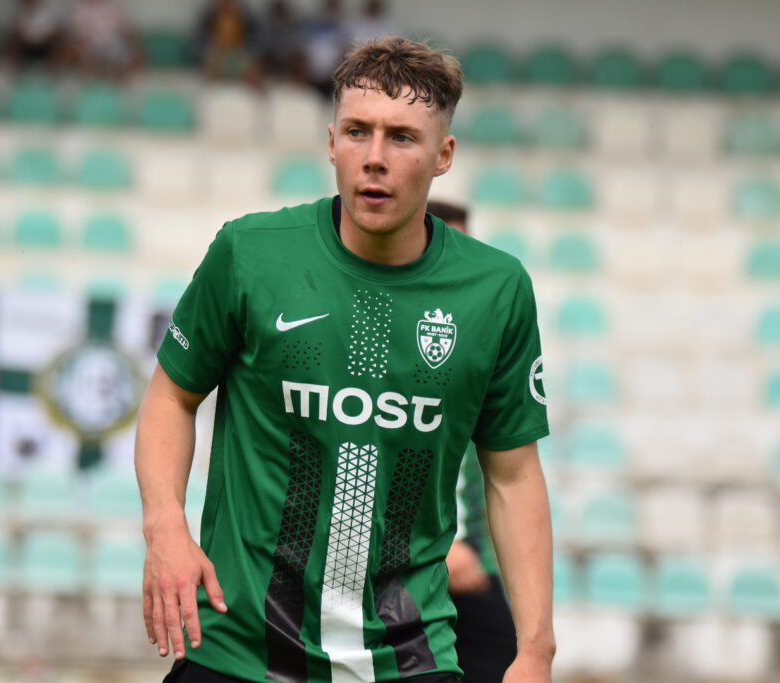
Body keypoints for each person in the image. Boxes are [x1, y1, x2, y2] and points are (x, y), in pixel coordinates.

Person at [135, 36, 555, 683]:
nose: (375, 158)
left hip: (408, 658)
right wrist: (166, 526)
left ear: (444, 155)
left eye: (402, 138)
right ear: (332, 142)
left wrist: (535, 649)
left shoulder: (496, 291)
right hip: (240, 652)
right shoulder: (251, 254)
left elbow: (514, 475)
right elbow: (171, 394)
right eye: (358, 132)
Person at [427, 200, 519, 682]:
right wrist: (448, 545)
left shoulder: (478, 328)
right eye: (445, 241)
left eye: (464, 244)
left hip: (473, 559)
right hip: (433, 559)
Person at [64, 0, 141, 80]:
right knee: (76, 52)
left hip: (113, 45)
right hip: (90, 48)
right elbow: (77, 36)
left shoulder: (113, 7)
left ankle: (121, 75)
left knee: (130, 53)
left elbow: (125, 30)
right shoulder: (80, 9)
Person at [2, 0, 64, 73]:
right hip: (25, 45)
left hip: (45, 45)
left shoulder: (46, 13)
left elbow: (51, 32)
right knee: (13, 40)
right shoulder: (20, 14)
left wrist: (39, 38)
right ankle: (13, 70)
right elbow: (20, 31)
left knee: (57, 41)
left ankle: (55, 70)